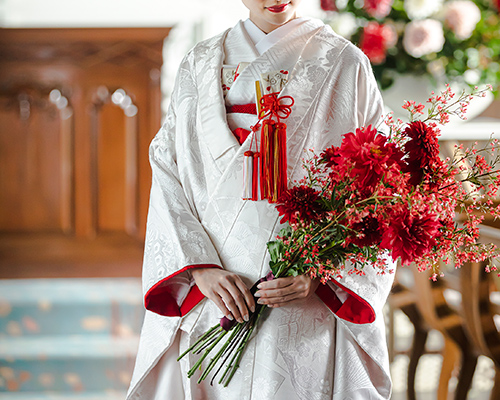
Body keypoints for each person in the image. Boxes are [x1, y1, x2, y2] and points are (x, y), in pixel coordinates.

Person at [127, 1, 395, 399]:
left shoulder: (344, 62)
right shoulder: (200, 63)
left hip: (303, 299)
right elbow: (169, 169)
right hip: (215, 292)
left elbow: (377, 186)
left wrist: (318, 274)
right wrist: (200, 269)